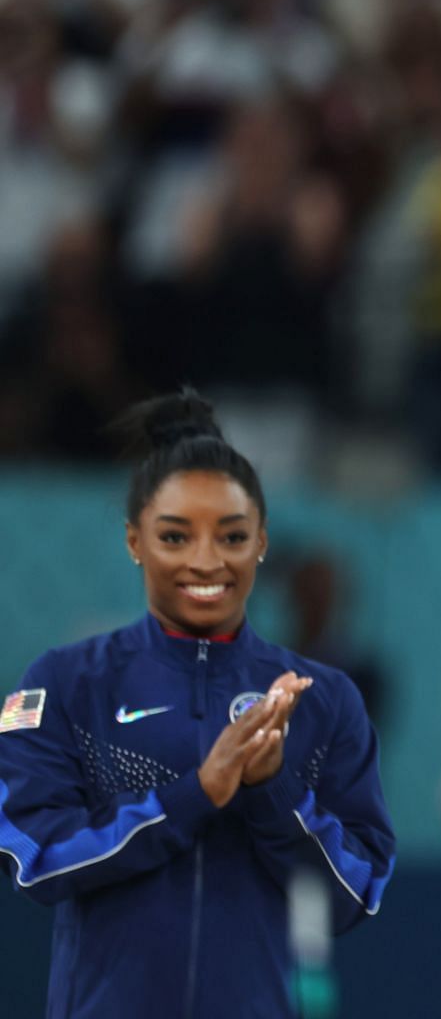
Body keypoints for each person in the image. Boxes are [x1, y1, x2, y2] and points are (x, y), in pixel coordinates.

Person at [0, 390, 395, 1017]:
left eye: (232, 536)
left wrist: (272, 791)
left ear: (261, 542)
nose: (206, 561)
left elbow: (356, 893)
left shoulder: (324, 700)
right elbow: (35, 861)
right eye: (176, 536)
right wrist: (194, 795)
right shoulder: (65, 683)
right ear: (135, 541)